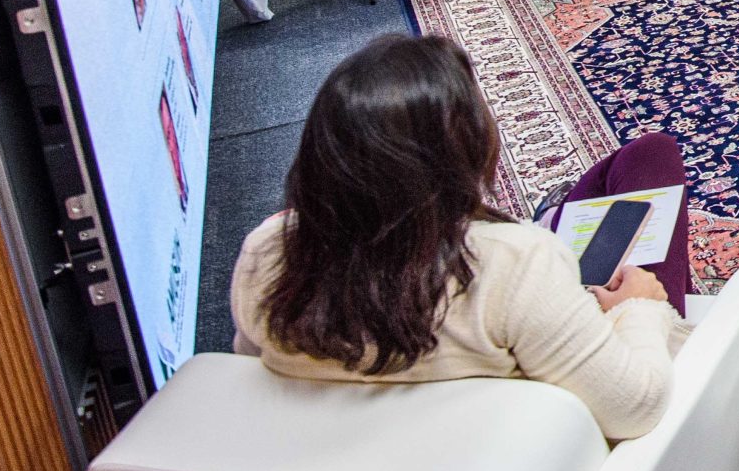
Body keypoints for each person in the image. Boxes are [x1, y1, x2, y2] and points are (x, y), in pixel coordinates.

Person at [231, 35, 690, 441]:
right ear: (462, 149)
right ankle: (556, 220)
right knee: (652, 156)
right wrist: (640, 307)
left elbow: (253, 374)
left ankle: (554, 215)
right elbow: (637, 409)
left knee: (632, 168)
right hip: (555, 452)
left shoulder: (268, 251)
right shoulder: (513, 265)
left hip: (365, 470)